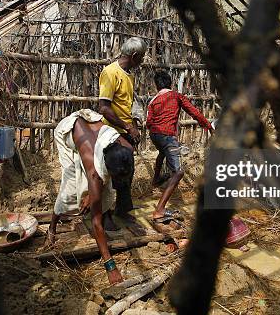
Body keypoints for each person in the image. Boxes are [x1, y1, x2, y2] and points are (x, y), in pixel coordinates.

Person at [48, 109, 134, 285]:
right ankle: (52, 227)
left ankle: (103, 207)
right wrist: (110, 266)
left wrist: (95, 192)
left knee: (105, 188)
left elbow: (111, 176)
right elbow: (96, 223)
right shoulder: (94, 171)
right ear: (104, 168)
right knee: (70, 186)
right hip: (68, 133)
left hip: (89, 122)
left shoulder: (126, 148)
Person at [146, 70, 214, 221]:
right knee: (179, 172)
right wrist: (208, 125)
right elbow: (194, 112)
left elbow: (149, 122)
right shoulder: (176, 96)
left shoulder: (153, 101)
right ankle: (159, 210)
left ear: (157, 86)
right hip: (167, 136)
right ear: (170, 83)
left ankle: (156, 180)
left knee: (162, 152)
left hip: (155, 135)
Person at [98, 37, 147, 218]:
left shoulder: (129, 75)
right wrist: (127, 126)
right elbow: (104, 107)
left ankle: (122, 210)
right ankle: (105, 215)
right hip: (111, 131)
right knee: (112, 174)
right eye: (141, 58)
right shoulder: (110, 72)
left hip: (124, 131)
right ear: (134, 56)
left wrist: (134, 125)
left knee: (128, 171)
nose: (141, 62)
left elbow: (128, 104)